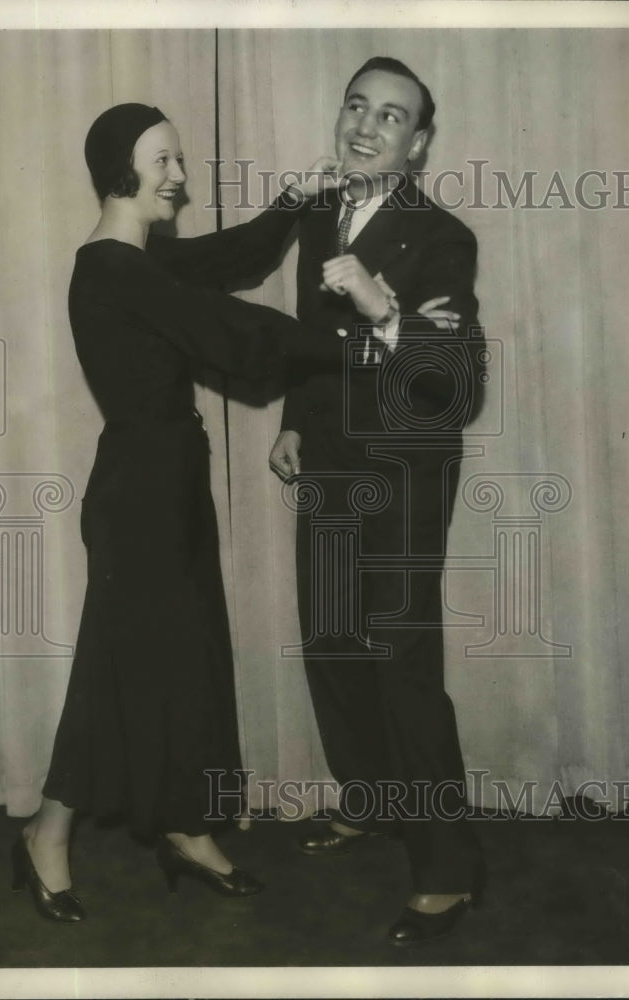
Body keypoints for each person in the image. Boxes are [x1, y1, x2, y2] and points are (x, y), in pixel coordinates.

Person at [12, 103, 346, 922]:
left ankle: (189, 829)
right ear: (120, 170)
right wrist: (362, 341)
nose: (180, 177)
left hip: (169, 479)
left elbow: (225, 256)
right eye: (163, 161)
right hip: (137, 491)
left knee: (192, 656)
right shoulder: (112, 269)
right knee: (116, 670)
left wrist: (297, 203)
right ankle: (44, 835)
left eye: (179, 160)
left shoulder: (141, 260)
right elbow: (227, 329)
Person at [268, 57, 486, 945]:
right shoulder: (321, 215)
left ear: (418, 143)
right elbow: (308, 339)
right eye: (356, 106)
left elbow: (455, 386)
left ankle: (447, 872)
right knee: (329, 637)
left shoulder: (443, 239)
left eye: (390, 117)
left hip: (403, 469)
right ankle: (366, 799)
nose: (364, 126)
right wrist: (291, 420)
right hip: (325, 455)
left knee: (399, 662)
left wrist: (378, 306)